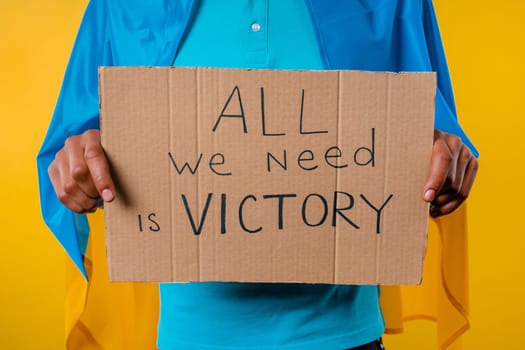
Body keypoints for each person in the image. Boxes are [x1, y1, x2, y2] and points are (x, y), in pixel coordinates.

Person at [37, 0, 478, 349]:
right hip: (188, 339)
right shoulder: (122, 5)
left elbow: (435, 129)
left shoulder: (391, 2)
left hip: (347, 339)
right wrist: (75, 167)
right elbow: (74, 143)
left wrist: (450, 162)